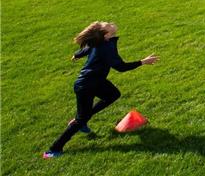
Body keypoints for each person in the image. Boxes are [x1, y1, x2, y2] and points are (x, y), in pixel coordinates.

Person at [43, 22, 158, 158]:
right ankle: (53, 149)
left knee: (113, 94)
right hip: (86, 86)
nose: (110, 23)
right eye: (107, 24)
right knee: (80, 119)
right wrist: (143, 62)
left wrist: (77, 54)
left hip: (96, 82)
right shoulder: (106, 47)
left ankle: (84, 119)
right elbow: (120, 67)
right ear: (106, 34)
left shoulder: (102, 42)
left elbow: (87, 48)